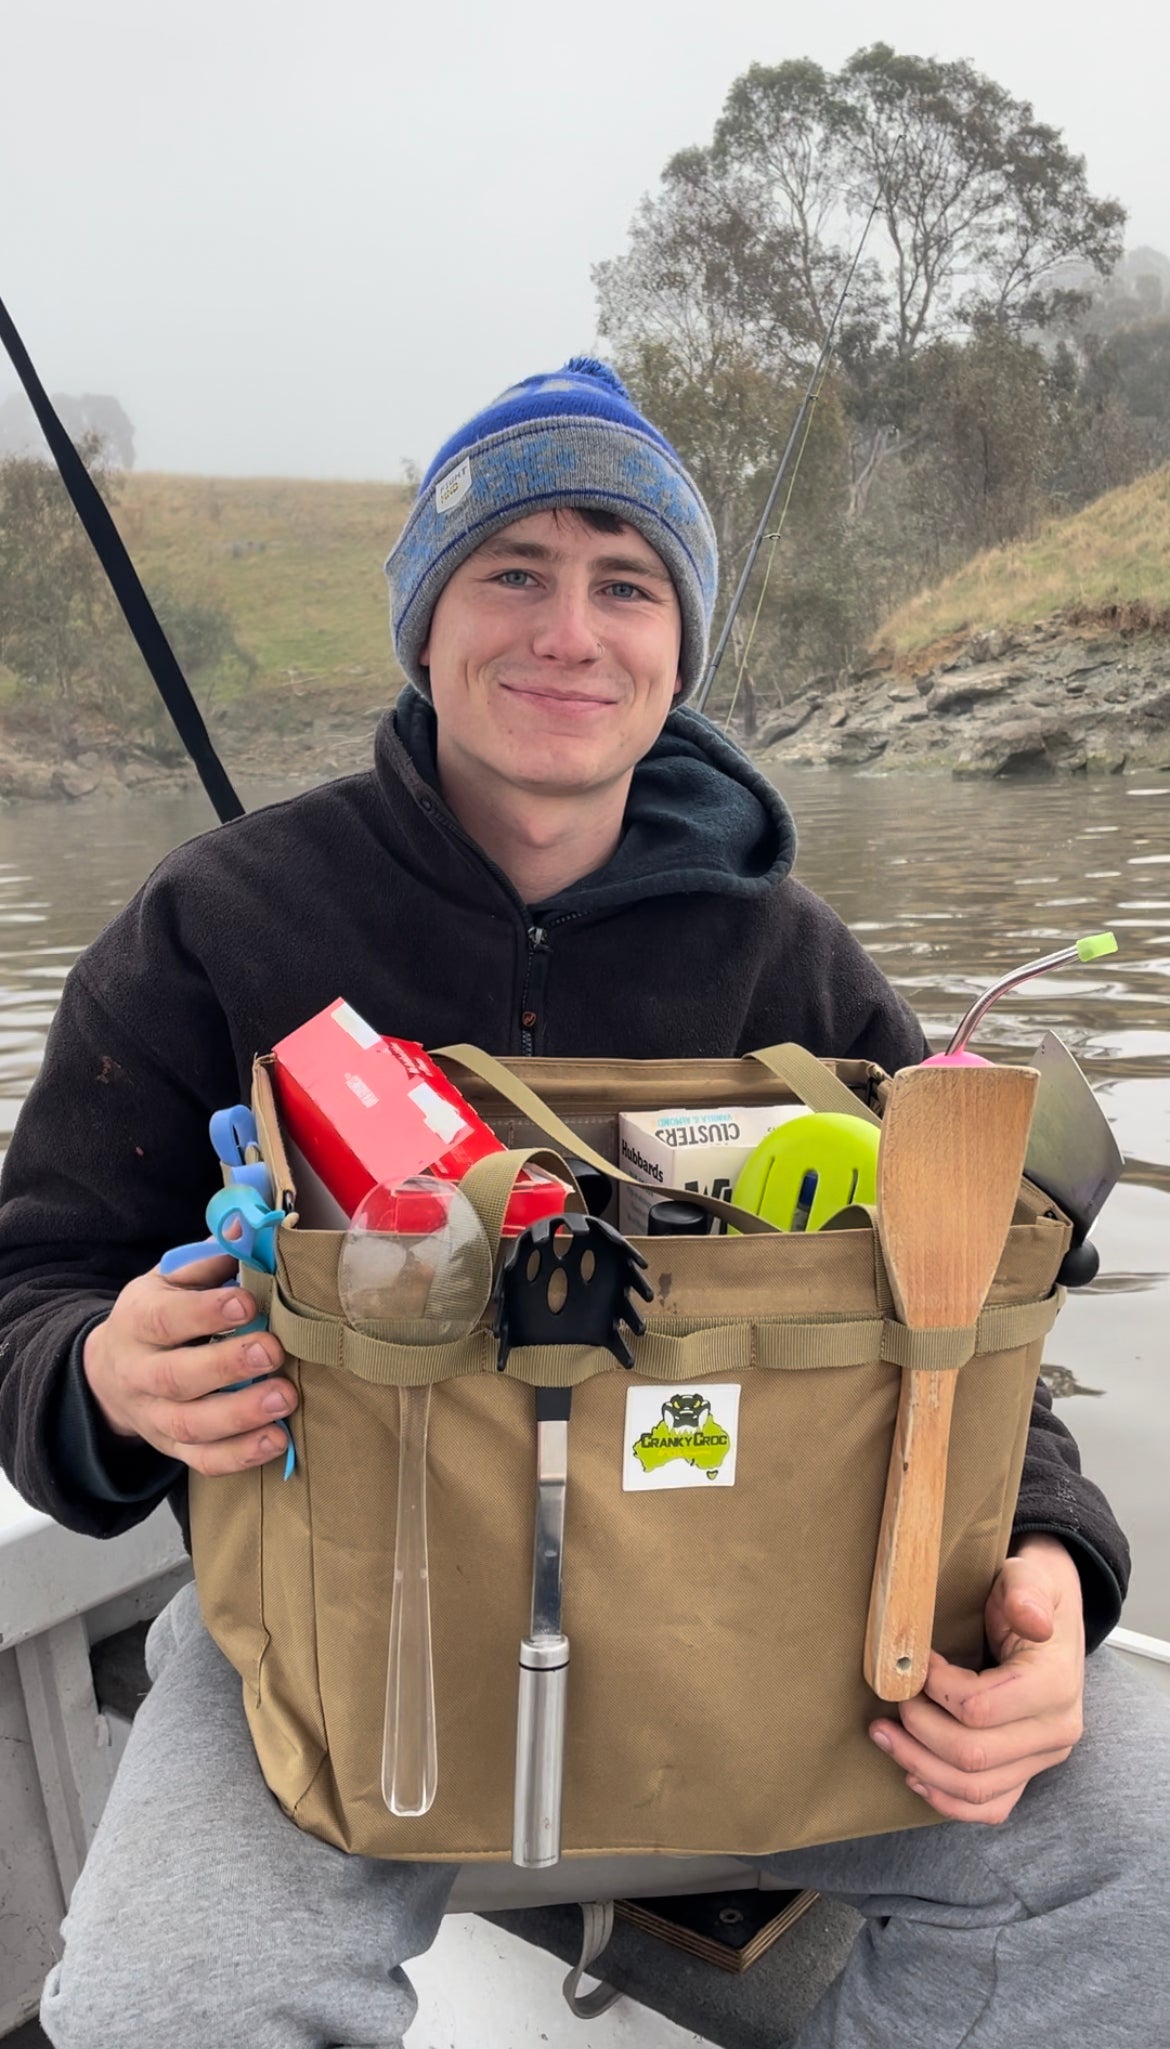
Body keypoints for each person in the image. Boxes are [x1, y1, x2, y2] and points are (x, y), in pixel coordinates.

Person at [0, 358, 1165, 2049]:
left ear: (677, 648)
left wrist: (1055, 1560)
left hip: (778, 1650)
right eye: (512, 573)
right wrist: (107, 1370)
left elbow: (962, 1332)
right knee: (162, 2003)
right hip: (342, 1679)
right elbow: (30, 1291)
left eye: (625, 583)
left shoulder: (802, 966)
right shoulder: (213, 925)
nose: (569, 630)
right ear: (424, 622)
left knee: (1129, 1859)